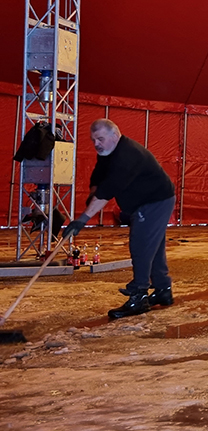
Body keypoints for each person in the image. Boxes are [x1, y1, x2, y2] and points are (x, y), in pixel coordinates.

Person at [62, 119, 176, 319]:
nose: (96, 143)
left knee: (141, 245)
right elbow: (99, 176)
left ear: (115, 135)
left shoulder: (127, 156)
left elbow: (107, 191)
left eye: (100, 139)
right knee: (154, 246)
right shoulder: (108, 152)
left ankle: (138, 296)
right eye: (93, 140)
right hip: (148, 200)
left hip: (154, 201)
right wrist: (92, 193)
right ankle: (163, 290)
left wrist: (82, 219)